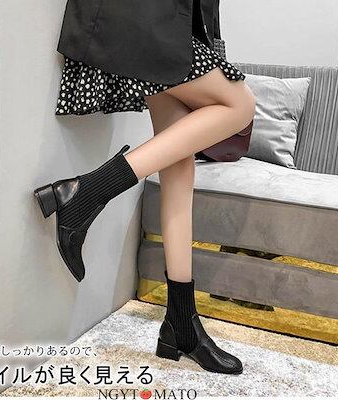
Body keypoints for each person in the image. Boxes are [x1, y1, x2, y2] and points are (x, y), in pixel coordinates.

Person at [34, 0, 256, 374]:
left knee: (179, 165)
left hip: (168, 23)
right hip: (144, 15)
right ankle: (88, 192)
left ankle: (181, 325)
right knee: (240, 105)